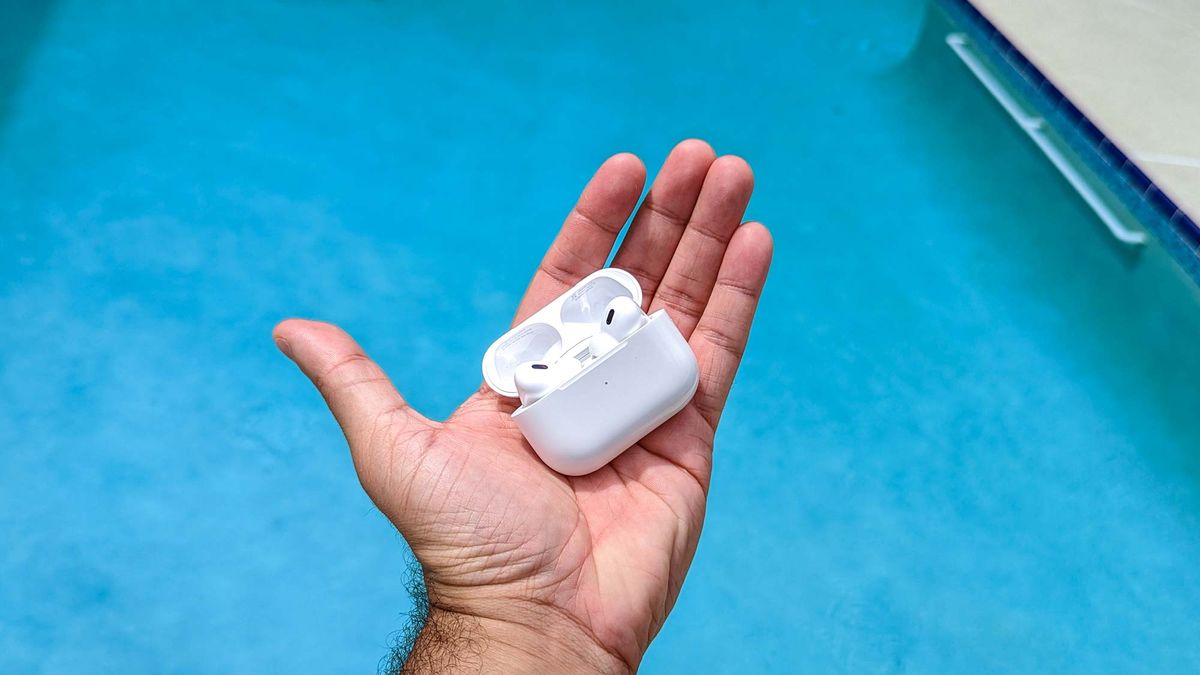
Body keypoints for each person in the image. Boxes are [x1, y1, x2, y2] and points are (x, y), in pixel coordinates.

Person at [273, 139, 773, 673]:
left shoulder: (590, 417)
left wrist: (515, 621)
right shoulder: (585, 413)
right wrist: (519, 616)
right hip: (617, 401)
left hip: (616, 403)